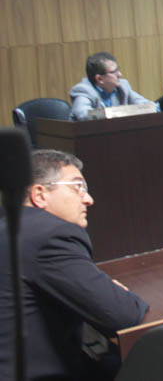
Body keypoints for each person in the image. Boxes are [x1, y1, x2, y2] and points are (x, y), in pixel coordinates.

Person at [0, 149, 149, 380]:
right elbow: (123, 313)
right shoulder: (50, 235)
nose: (88, 199)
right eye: (77, 186)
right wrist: (110, 291)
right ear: (40, 195)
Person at [69, 52, 153, 120]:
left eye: (118, 70)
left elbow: (147, 105)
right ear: (99, 79)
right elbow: (84, 114)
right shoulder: (84, 90)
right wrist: (117, 112)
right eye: (114, 72)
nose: (120, 74)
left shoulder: (122, 86)